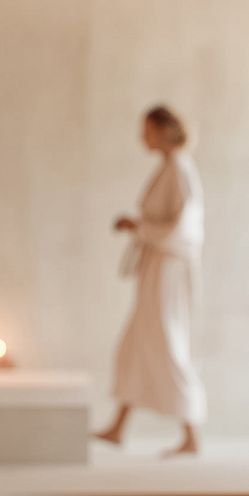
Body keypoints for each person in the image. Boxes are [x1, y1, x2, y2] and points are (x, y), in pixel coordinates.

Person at [95, 105, 206, 456]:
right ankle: (118, 426)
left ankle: (192, 435)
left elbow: (183, 228)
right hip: (156, 270)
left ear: (162, 129)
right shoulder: (169, 168)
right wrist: (139, 227)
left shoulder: (180, 169)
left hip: (169, 273)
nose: (142, 137)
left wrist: (140, 227)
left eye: (146, 130)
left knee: (168, 344)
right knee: (139, 343)